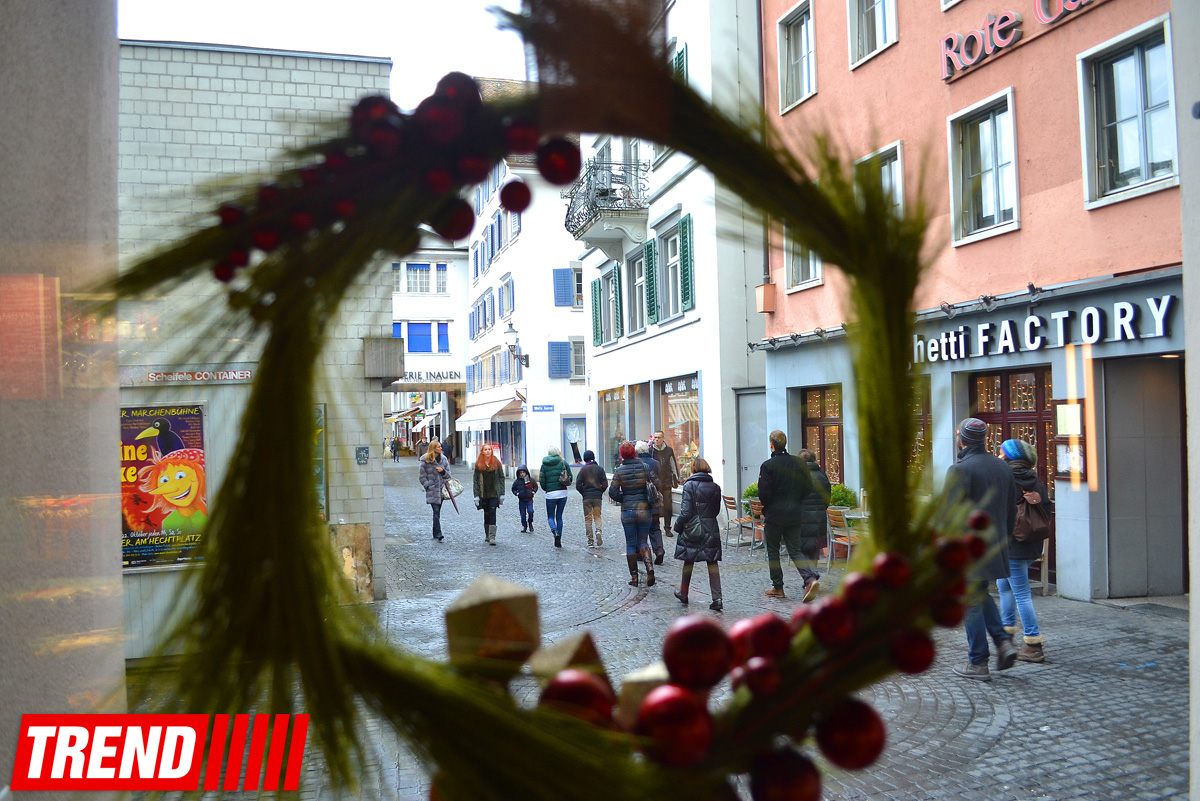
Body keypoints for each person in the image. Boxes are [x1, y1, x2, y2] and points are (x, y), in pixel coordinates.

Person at [946, 418, 1020, 681]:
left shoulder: (960, 470)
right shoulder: (1002, 468)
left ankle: (978, 662)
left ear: (961, 438)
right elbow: (1012, 511)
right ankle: (1003, 642)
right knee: (980, 594)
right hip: (994, 546)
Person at [997, 438, 1051, 663]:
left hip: (1013, 546)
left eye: (1001, 453)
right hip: (1031, 544)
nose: (999, 456)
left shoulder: (1005, 478)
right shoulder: (1035, 480)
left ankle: (1033, 644)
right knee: (1004, 586)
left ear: (1010, 457)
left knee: (1020, 593)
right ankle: (1006, 636)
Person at [757, 430, 819, 601]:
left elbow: (763, 494)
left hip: (775, 515)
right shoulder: (799, 463)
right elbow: (807, 488)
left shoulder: (768, 465)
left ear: (771, 445)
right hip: (794, 513)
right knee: (795, 549)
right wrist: (795, 501)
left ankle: (778, 587)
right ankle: (809, 578)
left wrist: (770, 506)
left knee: (773, 551)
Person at [671, 457, 723, 611]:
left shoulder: (689, 485)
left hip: (694, 528)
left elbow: (686, 512)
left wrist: (678, 526)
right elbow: (716, 510)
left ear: (693, 469)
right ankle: (717, 598)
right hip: (711, 527)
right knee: (712, 562)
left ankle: (684, 592)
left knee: (689, 559)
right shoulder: (715, 487)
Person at [609, 441, 655, 587]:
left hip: (628, 510)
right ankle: (650, 569)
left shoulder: (619, 471)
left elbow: (613, 492)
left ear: (622, 455)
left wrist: (624, 499)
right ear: (634, 453)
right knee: (643, 541)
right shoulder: (645, 467)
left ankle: (634, 578)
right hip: (644, 509)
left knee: (630, 543)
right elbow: (656, 483)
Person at [797, 449, 832, 600]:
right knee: (814, 548)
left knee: (799, 548)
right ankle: (812, 579)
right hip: (818, 519)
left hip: (802, 518)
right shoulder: (822, 476)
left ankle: (811, 577)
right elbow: (827, 500)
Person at [635, 440, 665, 564]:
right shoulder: (656, 463)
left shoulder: (636, 465)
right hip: (654, 502)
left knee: (641, 529)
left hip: (641, 502)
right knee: (655, 527)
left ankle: (641, 552)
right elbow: (660, 481)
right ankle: (659, 550)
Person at [472, 443, 505, 545]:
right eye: (485, 449)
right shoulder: (478, 464)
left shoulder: (496, 462)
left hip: (494, 493)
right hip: (483, 493)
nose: (487, 451)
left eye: (489, 449)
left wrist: (502, 493)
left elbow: (501, 477)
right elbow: (476, 480)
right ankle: (487, 534)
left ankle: (492, 537)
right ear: (482, 451)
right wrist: (476, 495)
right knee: (486, 513)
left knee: (493, 512)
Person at [540, 446, 573, 548]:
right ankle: (560, 536)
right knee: (559, 516)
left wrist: (547, 488)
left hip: (550, 494)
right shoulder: (563, 462)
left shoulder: (544, 465)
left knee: (550, 516)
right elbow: (570, 477)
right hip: (562, 493)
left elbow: (542, 480)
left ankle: (554, 532)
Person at [418, 440, 451, 541]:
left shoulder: (444, 459)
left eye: (440, 446)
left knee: (437, 512)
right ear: (433, 448)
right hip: (432, 490)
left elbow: (449, 475)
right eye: (438, 447)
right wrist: (428, 485)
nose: (441, 448)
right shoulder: (425, 460)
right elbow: (422, 476)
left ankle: (435, 532)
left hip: (441, 490)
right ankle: (439, 533)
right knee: (435, 511)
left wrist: (443, 471)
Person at [576, 450, 609, 547]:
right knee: (597, 516)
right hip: (597, 497)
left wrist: (584, 493)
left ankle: (590, 541)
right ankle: (598, 531)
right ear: (593, 458)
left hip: (587, 497)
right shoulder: (599, 469)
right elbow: (605, 484)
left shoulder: (583, 470)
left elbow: (578, 485)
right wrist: (600, 491)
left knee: (588, 519)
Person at [651, 430, 681, 537]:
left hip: (666, 481)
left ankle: (667, 528)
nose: (657, 439)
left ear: (663, 438)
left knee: (668, 505)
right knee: (655, 505)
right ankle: (656, 527)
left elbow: (673, 464)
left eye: (659, 437)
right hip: (655, 482)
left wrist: (676, 479)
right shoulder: (651, 451)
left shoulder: (668, 450)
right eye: (655, 438)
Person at [511, 465, 539, 533]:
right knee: (523, 515)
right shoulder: (517, 481)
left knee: (531, 511)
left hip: (529, 499)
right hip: (522, 500)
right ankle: (525, 526)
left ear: (526, 472)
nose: (522, 474)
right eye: (520, 472)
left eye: (523, 472)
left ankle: (530, 523)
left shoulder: (531, 480)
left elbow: (535, 487)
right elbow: (513, 489)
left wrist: (533, 492)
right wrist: (517, 493)